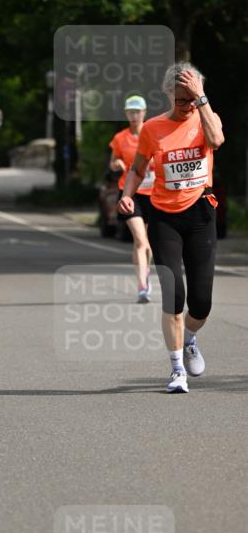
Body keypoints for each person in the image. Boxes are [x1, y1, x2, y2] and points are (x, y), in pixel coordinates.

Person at [117, 62, 224, 394]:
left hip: (201, 215)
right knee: (174, 293)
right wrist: (127, 195)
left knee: (202, 303)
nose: (186, 105)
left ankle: (190, 337)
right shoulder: (153, 128)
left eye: (191, 99)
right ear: (168, 96)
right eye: (181, 100)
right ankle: (177, 369)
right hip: (164, 217)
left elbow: (217, 140)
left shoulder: (205, 118)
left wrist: (200, 98)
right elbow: (136, 168)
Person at [109, 95, 154, 303]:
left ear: (144, 113)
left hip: (154, 194)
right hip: (130, 194)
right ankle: (142, 285)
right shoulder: (120, 138)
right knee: (140, 240)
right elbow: (113, 161)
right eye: (130, 112)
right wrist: (117, 163)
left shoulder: (154, 133)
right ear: (126, 114)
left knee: (149, 243)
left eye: (138, 111)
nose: (134, 115)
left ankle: (145, 273)